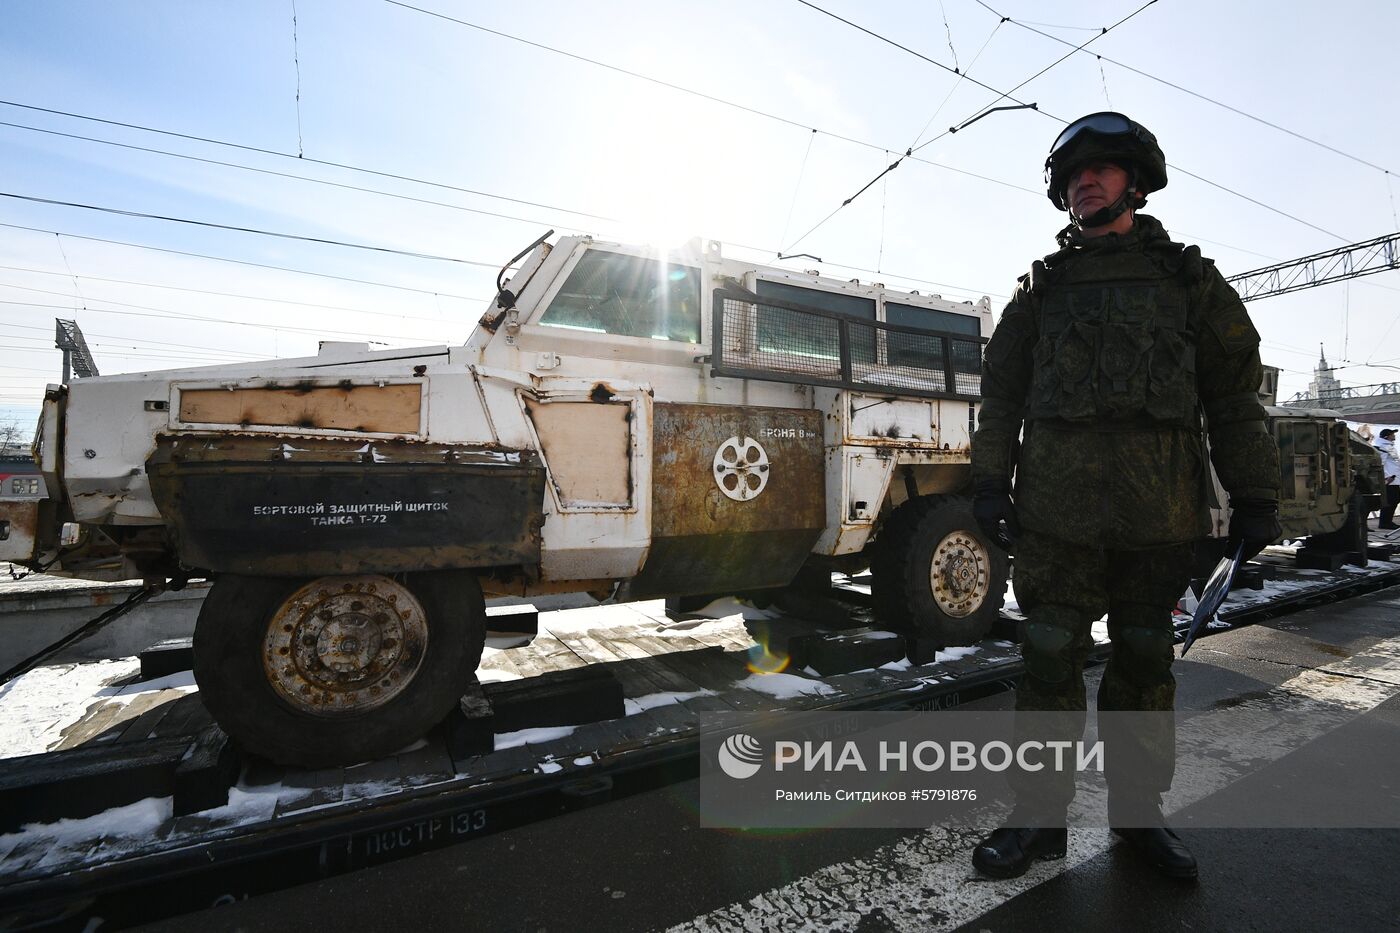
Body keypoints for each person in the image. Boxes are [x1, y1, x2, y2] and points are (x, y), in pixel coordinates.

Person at [969, 112, 1281, 881]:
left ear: (1135, 182)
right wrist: (986, 482)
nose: (1086, 179)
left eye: (1103, 167)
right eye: (1075, 173)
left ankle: (1139, 821)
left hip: (1154, 517)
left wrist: (1255, 495)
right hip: (1056, 518)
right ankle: (1039, 819)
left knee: (1144, 664)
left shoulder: (1187, 281)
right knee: (1047, 660)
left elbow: (1234, 394)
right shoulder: (1041, 292)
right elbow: (1001, 395)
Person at [1376, 428, 1399, 529]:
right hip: (1390, 479)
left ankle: (1388, 521)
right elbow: (1380, 463)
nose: (1394, 436)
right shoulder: (1381, 446)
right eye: (1392, 434)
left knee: (1394, 500)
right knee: (1389, 501)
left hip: (1395, 478)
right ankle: (1384, 523)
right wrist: (1386, 477)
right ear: (1387, 436)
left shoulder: (1389, 446)